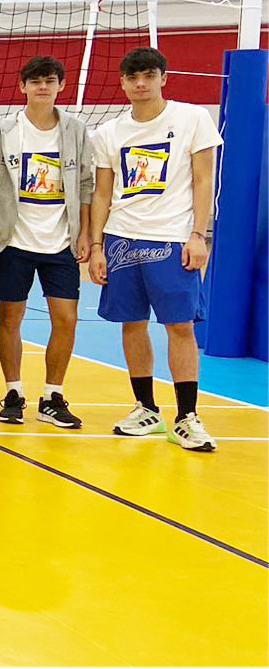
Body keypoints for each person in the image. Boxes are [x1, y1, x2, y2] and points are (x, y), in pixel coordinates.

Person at [88, 46, 221, 450]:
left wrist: (199, 234)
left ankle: (187, 416)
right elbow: (102, 192)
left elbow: (203, 179)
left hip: (172, 238)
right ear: (123, 82)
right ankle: (145, 408)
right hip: (121, 237)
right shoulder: (109, 132)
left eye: (148, 75)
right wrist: (96, 246)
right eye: (132, 77)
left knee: (180, 325)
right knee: (132, 324)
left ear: (164, 77)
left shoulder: (192, 117)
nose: (140, 84)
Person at [0, 56, 93, 427]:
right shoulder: (1, 131)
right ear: (22, 86)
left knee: (66, 319)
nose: (42, 87)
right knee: (9, 317)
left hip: (60, 242)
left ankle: (53, 395)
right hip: (12, 240)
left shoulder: (76, 131)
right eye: (35, 81)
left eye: (49, 81)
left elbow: (86, 186)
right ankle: (13, 391)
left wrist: (87, 236)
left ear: (60, 85)